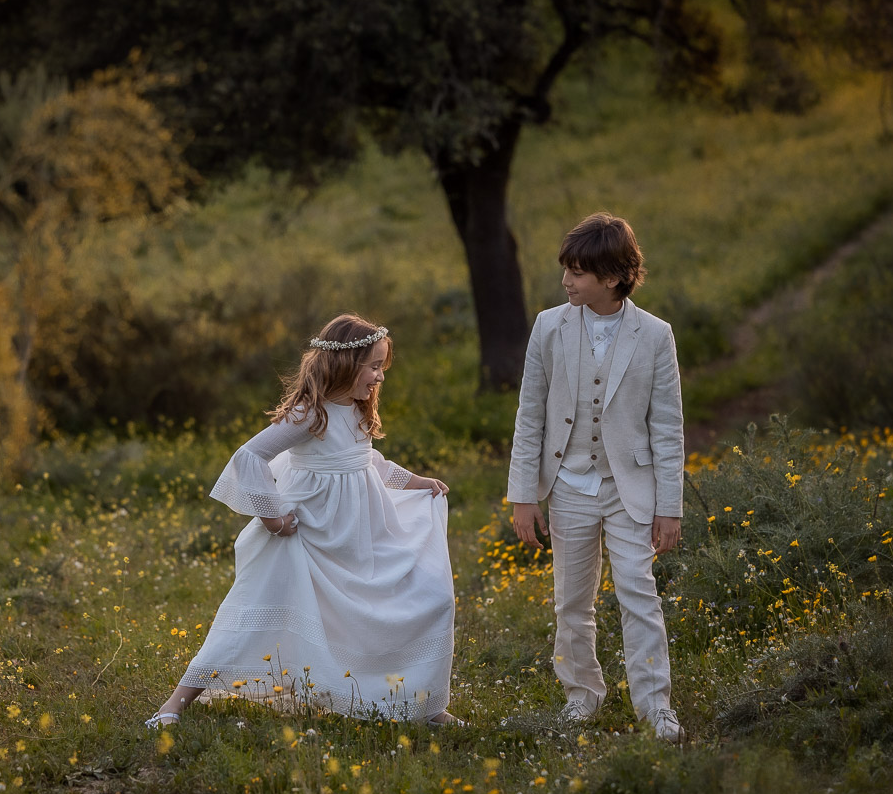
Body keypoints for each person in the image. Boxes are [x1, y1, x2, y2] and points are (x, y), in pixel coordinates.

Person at [145, 314, 460, 726]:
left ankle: (424, 705)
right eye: (374, 366)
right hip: (305, 535)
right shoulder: (311, 413)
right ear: (346, 364)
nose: (380, 377)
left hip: (358, 534)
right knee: (251, 612)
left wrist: (412, 481)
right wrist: (273, 516)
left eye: (383, 366)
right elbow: (250, 456)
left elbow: (366, 462)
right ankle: (174, 705)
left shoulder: (358, 409)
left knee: (425, 598)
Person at [506, 213, 686, 743]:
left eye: (579, 272)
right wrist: (523, 495)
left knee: (639, 595)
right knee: (571, 600)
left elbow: (668, 427)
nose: (567, 280)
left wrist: (669, 506)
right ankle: (581, 697)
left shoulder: (656, 336)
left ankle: (656, 710)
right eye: (566, 268)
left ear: (613, 276)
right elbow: (530, 415)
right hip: (567, 486)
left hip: (631, 491)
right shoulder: (548, 326)